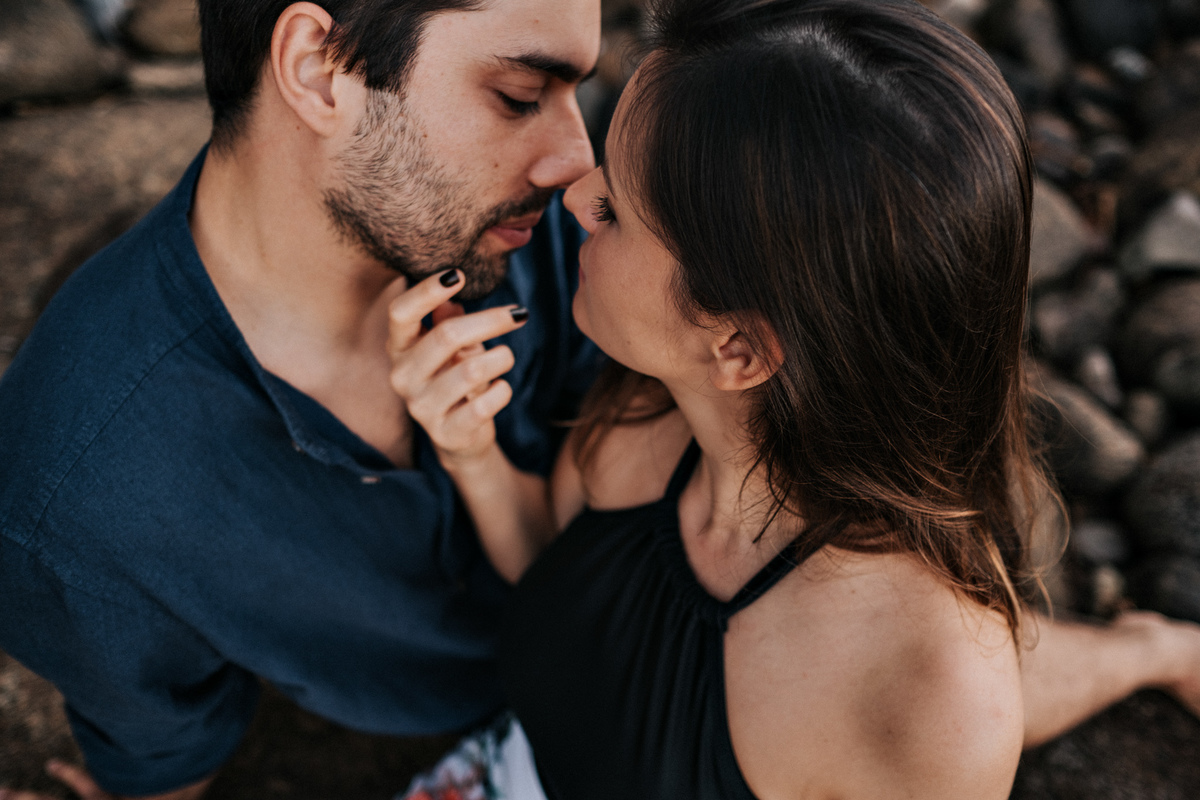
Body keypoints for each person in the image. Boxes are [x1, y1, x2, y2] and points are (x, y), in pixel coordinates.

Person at [393, 0, 1200, 797]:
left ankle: (1148, 652)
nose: (575, 193)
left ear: (739, 349)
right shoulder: (644, 412)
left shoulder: (932, 697)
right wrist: (472, 454)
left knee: (980, 690)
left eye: (614, 211)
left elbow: (937, 720)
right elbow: (557, 577)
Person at [0, 1, 601, 798]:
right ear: (319, 69)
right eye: (521, 96)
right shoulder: (81, 484)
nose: (575, 159)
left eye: (576, 97)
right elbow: (162, 753)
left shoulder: (540, 229)